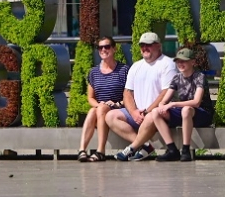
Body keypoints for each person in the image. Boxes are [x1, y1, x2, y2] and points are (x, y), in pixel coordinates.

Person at [106, 32, 177, 161]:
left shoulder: (168, 64)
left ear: (158, 46)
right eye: (142, 45)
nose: (144, 48)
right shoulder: (136, 66)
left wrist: (147, 111)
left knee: (152, 115)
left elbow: (166, 92)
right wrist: (133, 112)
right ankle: (145, 146)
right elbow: (127, 92)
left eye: (148, 45)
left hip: (157, 114)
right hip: (138, 114)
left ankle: (132, 148)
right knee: (111, 116)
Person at [153, 47, 214, 162]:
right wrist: (162, 106)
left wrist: (172, 104)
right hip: (184, 113)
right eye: (178, 61)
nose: (180, 64)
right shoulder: (176, 78)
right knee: (156, 112)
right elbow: (164, 100)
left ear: (193, 62)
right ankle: (172, 150)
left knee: (186, 110)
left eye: (184, 61)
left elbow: (196, 102)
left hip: (202, 114)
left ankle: (185, 150)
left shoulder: (199, 77)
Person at [77, 36, 128, 162]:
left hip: (119, 109)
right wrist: (100, 105)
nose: (103, 50)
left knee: (99, 110)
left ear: (114, 49)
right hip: (101, 108)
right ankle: (82, 149)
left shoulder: (124, 70)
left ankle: (100, 151)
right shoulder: (93, 72)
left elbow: (130, 96)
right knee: (93, 110)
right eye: (100, 47)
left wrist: (116, 104)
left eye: (107, 46)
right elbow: (90, 97)